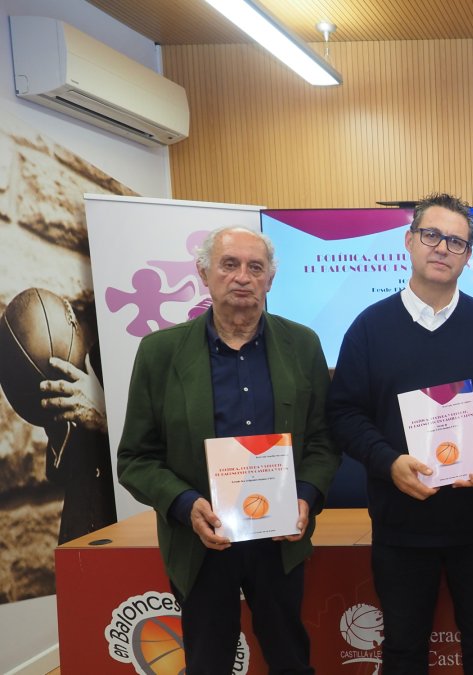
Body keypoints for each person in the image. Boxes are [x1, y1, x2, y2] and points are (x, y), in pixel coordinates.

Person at [117, 226, 340, 674]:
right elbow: (135, 458)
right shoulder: (160, 353)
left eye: (255, 267)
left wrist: (305, 497)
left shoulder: (303, 345)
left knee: (291, 659)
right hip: (202, 541)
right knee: (208, 662)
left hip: (279, 540)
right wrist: (185, 504)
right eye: (229, 264)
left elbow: (323, 441)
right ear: (204, 273)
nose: (242, 277)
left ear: (270, 279)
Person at [327, 192, 473, 674]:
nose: (442, 248)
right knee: (403, 649)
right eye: (431, 235)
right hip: (401, 524)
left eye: (456, 241)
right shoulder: (368, 329)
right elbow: (344, 414)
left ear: (468, 256)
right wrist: (387, 462)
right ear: (409, 241)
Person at [40, 345, 118, 543]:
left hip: (130, 521)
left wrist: (107, 418)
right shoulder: (84, 345)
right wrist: (56, 421)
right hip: (81, 523)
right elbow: (59, 473)